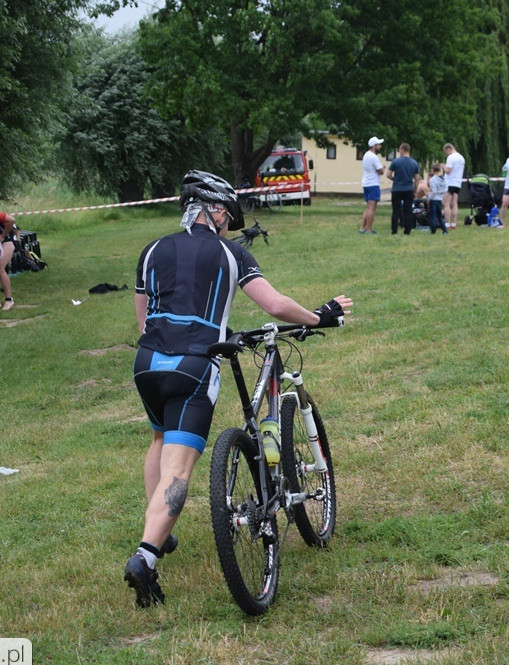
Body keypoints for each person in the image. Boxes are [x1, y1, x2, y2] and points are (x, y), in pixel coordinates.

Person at [126, 170, 352, 608]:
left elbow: (142, 318)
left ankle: (160, 529)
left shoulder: (151, 250)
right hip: (195, 365)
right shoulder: (231, 253)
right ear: (214, 211)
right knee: (180, 469)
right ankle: (145, 556)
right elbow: (274, 305)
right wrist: (319, 316)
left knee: (158, 438)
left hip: (148, 363)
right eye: (228, 216)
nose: (229, 225)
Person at [386, 143, 420, 235]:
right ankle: (407, 231)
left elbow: (388, 174)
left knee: (396, 210)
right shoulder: (414, 163)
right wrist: (415, 191)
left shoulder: (395, 162)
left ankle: (394, 230)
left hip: (397, 189)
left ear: (402, 150)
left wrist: (395, 179)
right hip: (408, 189)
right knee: (408, 210)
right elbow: (417, 179)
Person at [359, 137, 385, 234]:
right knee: (372, 208)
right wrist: (383, 167)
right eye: (378, 145)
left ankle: (362, 228)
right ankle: (369, 229)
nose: (380, 146)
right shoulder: (374, 157)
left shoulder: (366, 155)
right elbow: (381, 171)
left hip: (366, 183)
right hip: (373, 184)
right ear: (374, 146)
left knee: (368, 207)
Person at [442, 143, 465, 231]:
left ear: (448, 149)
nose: (446, 154)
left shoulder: (451, 157)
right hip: (458, 183)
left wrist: (444, 167)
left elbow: (448, 171)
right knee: (454, 203)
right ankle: (454, 223)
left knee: (446, 204)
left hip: (450, 182)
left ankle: (447, 224)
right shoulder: (461, 158)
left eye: (446, 152)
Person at [427, 163, 447, 235]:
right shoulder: (443, 179)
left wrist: (429, 198)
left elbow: (433, 191)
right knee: (440, 216)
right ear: (440, 170)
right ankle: (444, 230)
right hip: (440, 199)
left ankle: (433, 231)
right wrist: (440, 192)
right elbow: (445, 189)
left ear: (432, 170)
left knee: (433, 216)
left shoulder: (432, 180)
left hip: (433, 199)